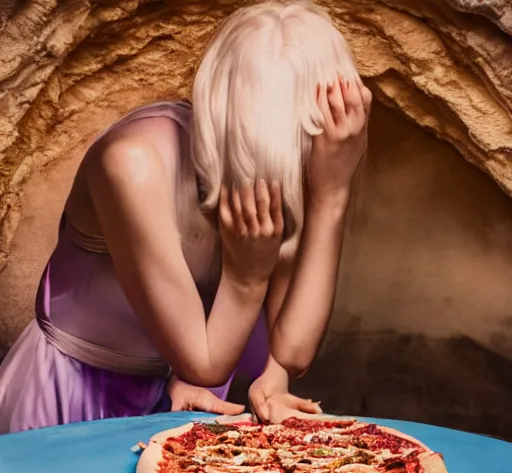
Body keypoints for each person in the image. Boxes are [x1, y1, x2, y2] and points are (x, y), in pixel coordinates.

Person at [0, 0, 371, 433]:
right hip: (69, 399)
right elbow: (204, 362)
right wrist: (247, 276)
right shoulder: (132, 164)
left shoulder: (291, 162)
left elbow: (293, 352)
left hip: (180, 401)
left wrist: (332, 192)